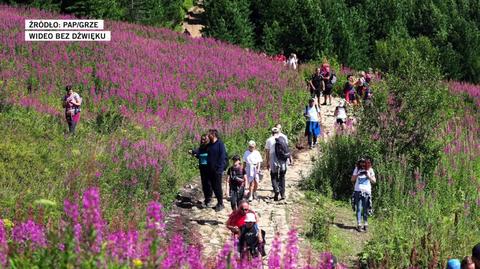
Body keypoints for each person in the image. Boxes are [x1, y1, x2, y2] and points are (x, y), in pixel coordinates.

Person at [351, 158, 376, 232]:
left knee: (365, 208)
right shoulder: (357, 169)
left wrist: (368, 175)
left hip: (367, 192)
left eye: (364, 163)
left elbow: (374, 181)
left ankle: (365, 224)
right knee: (358, 208)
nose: (363, 164)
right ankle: (359, 224)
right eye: (361, 163)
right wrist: (358, 174)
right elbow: (352, 179)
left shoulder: (370, 170)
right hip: (358, 191)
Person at [206, 129, 227, 212]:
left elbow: (222, 157)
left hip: (217, 170)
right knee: (213, 187)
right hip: (210, 170)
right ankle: (219, 203)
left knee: (217, 187)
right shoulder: (210, 145)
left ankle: (220, 203)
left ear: (213, 135)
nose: (208, 136)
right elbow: (202, 150)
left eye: (209, 135)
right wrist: (194, 152)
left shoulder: (220, 144)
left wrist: (220, 169)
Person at [265, 127, 288, 201]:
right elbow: (286, 149)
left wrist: (267, 162)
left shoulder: (269, 140)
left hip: (273, 157)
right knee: (282, 176)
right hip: (282, 158)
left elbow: (267, 152)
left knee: (273, 175)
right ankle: (283, 194)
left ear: (272, 132)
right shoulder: (283, 137)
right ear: (279, 132)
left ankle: (276, 190)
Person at [189, 135, 211, 208]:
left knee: (208, 184)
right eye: (202, 139)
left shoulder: (210, 148)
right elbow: (197, 152)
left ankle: (208, 200)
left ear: (207, 140)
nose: (202, 140)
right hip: (202, 168)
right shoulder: (201, 147)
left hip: (209, 168)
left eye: (204, 139)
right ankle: (206, 199)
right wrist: (192, 151)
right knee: (204, 184)